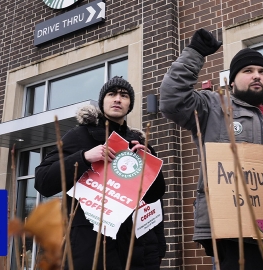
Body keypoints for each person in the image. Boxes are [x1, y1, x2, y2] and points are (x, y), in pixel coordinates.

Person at [160, 29, 263, 270]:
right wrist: (195, 54)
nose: (257, 76)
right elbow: (172, 100)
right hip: (236, 230)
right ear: (233, 79)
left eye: (262, 72)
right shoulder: (213, 107)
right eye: (248, 71)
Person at [34, 76, 166, 270]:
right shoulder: (80, 135)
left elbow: (155, 196)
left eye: (124, 95)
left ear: (130, 105)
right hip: (89, 246)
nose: (118, 99)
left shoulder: (137, 143)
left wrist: (149, 164)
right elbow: (42, 180)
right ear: (102, 101)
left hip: (132, 248)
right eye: (111, 94)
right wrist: (84, 157)